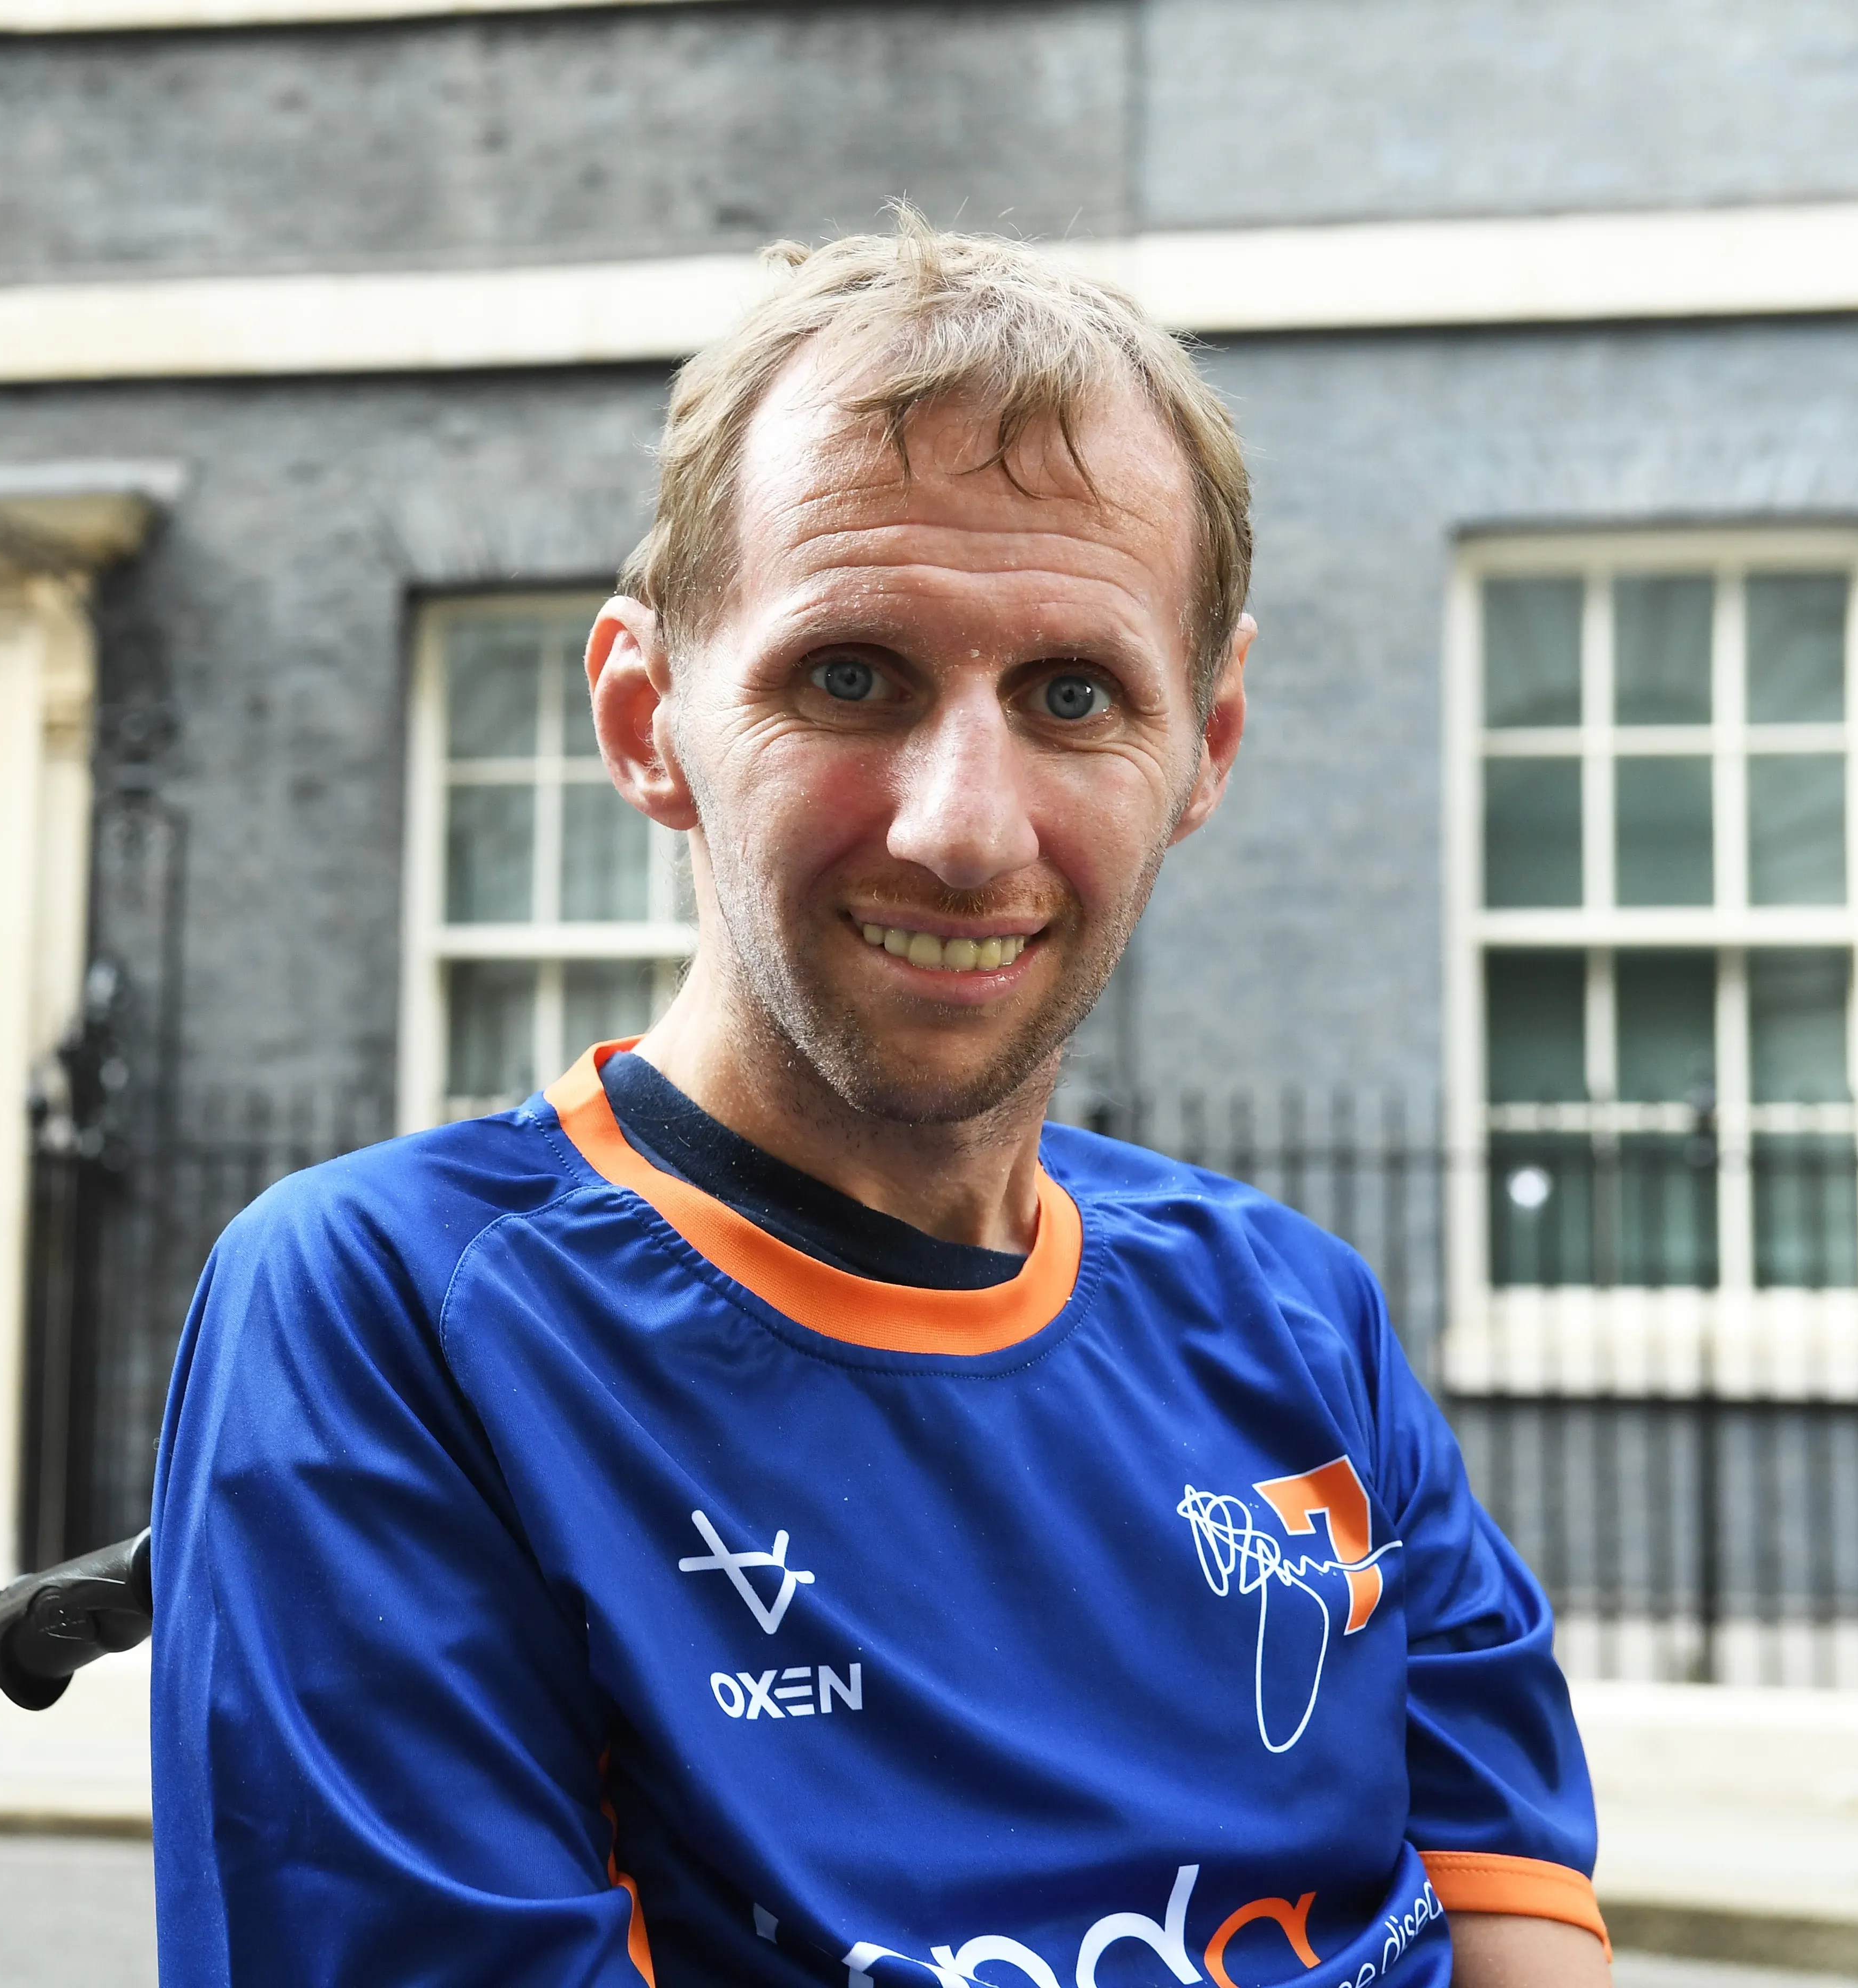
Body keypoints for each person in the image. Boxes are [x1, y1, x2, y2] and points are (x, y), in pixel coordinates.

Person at [149, 216, 1608, 1988]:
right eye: (852, 677)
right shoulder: (398, 1314)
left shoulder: (1299, 1319)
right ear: (646, 719)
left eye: (1075, 696)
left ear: (1206, 746)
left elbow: (1520, 1937)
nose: (964, 827)